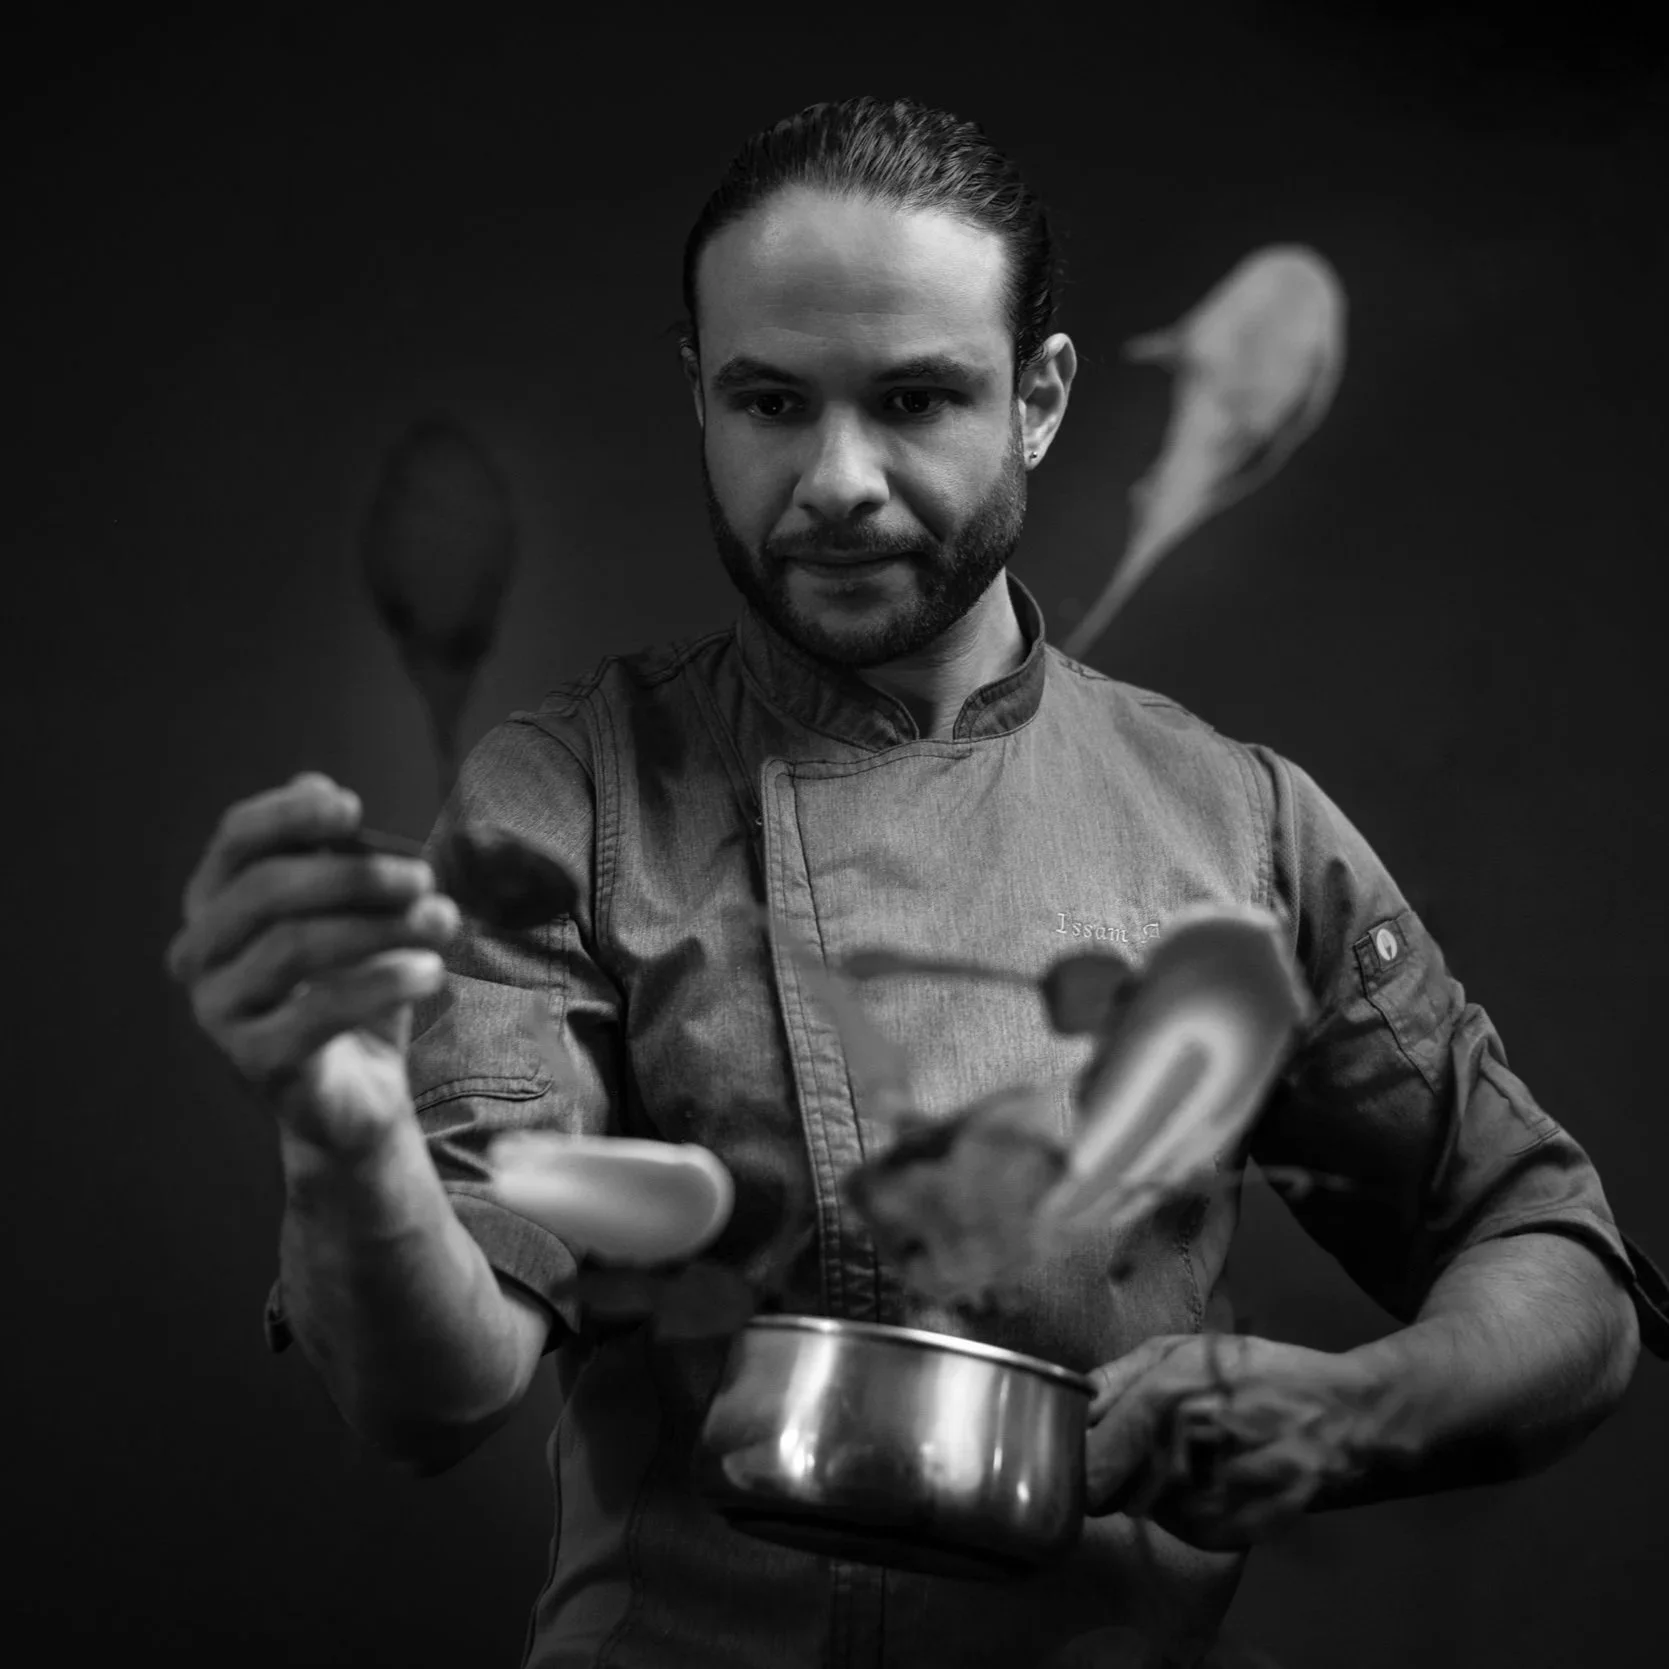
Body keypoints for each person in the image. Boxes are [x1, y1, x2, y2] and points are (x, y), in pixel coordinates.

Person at [166, 97, 1667, 1669]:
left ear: (1040, 399)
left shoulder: (1237, 819)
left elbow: (1558, 1263)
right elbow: (432, 1395)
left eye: (915, 400)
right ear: (699, 398)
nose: (837, 481)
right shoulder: (574, 793)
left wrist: (1358, 1409)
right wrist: (339, 1137)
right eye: (768, 402)